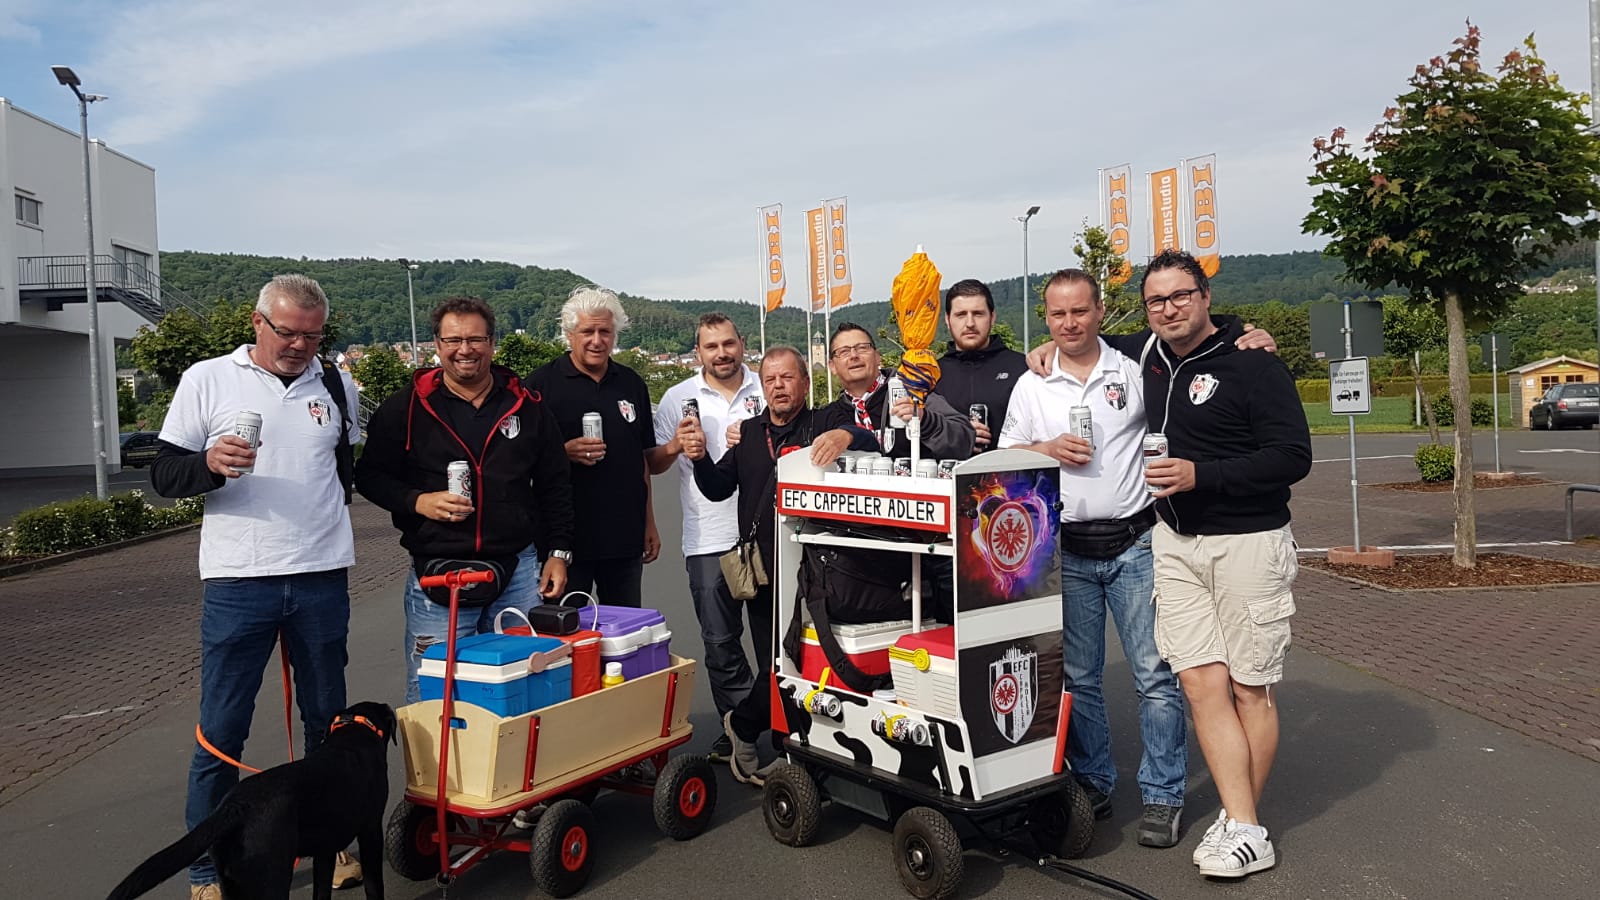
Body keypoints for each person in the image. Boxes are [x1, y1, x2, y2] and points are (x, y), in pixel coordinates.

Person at [150, 274, 364, 898]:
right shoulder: (208, 378)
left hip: (321, 575)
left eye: (313, 335)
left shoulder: (336, 383)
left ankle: (329, 846)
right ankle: (205, 871)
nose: (299, 345)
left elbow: (345, 465)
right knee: (221, 732)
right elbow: (163, 475)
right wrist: (208, 464)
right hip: (240, 581)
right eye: (288, 332)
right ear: (258, 323)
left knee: (327, 725)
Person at [998, 269, 1188, 850]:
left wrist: (1248, 334)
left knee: (1155, 676)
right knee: (1080, 677)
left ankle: (1163, 793)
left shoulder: (1133, 369)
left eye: (1079, 311)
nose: (1069, 323)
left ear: (1100, 311)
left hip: (1135, 543)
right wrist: (1045, 448)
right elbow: (1003, 454)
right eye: (1057, 314)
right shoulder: (1032, 384)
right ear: (1046, 318)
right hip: (1068, 550)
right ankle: (1095, 781)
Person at [1137, 250, 1312, 879]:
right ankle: (1241, 822)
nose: (1169, 309)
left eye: (1181, 295)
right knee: (1198, 682)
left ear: (1205, 296)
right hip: (1175, 543)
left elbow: (1292, 456)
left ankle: (1243, 826)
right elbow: (1084, 341)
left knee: (1248, 688)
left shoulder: (1252, 362)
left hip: (1247, 542)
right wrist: (1047, 350)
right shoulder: (1150, 358)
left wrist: (1200, 475)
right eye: (1156, 300)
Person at [355, 296, 575, 703]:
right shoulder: (406, 407)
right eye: (453, 340)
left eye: (475, 339)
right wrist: (417, 501)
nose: (465, 349)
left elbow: (554, 484)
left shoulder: (527, 406)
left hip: (516, 570)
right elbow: (368, 475)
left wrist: (558, 552)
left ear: (492, 343)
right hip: (439, 575)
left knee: (521, 685)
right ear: (437, 345)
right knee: (434, 690)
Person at [685, 345, 877, 785]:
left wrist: (846, 437)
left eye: (787, 377)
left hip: (821, 569)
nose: (778, 386)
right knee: (777, 662)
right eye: (770, 379)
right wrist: (698, 458)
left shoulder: (823, 421)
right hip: (765, 571)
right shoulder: (750, 433)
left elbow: (868, 438)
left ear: (805, 383)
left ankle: (755, 731)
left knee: (808, 659)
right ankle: (777, 744)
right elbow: (717, 488)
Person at [650, 313, 766, 760]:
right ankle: (738, 729)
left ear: (742, 343)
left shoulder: (766, 385)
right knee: (721, 643)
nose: (722, 353)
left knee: (777, 639)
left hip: (766, 534)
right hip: (707, 537)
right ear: (698, 351)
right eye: (711, 346)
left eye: (728, 344)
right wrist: (676, 445)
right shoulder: (678, 397)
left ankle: (772, 723)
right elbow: (652, 461)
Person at [526, 285, 664, 606]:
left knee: (625, 628)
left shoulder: (631, 383)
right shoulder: (540, 385)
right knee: (567, 629)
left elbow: (641, 461)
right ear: (569, 335)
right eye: (588, 331)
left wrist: (649, 523)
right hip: (564, 543)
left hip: (623, 538)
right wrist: (562, 453)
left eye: (605, 332)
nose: (597, 340)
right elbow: (519, 461)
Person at [822, 322, 974, 459]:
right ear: (832, 366)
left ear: (877, 357)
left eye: (862, 348)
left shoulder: (911, 389)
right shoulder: (831, 415)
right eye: (844, 352)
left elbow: (965, 441)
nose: (854, 356)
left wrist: (925, 420)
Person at [931, 279, 1028, 454]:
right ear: (947, 319)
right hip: (947, 471)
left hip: (1010, 470)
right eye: (961, 315)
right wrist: (956, 435)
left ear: (992, 317)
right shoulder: (932, 374)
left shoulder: (1023, 368)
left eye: (978, 314)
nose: (970, 323)